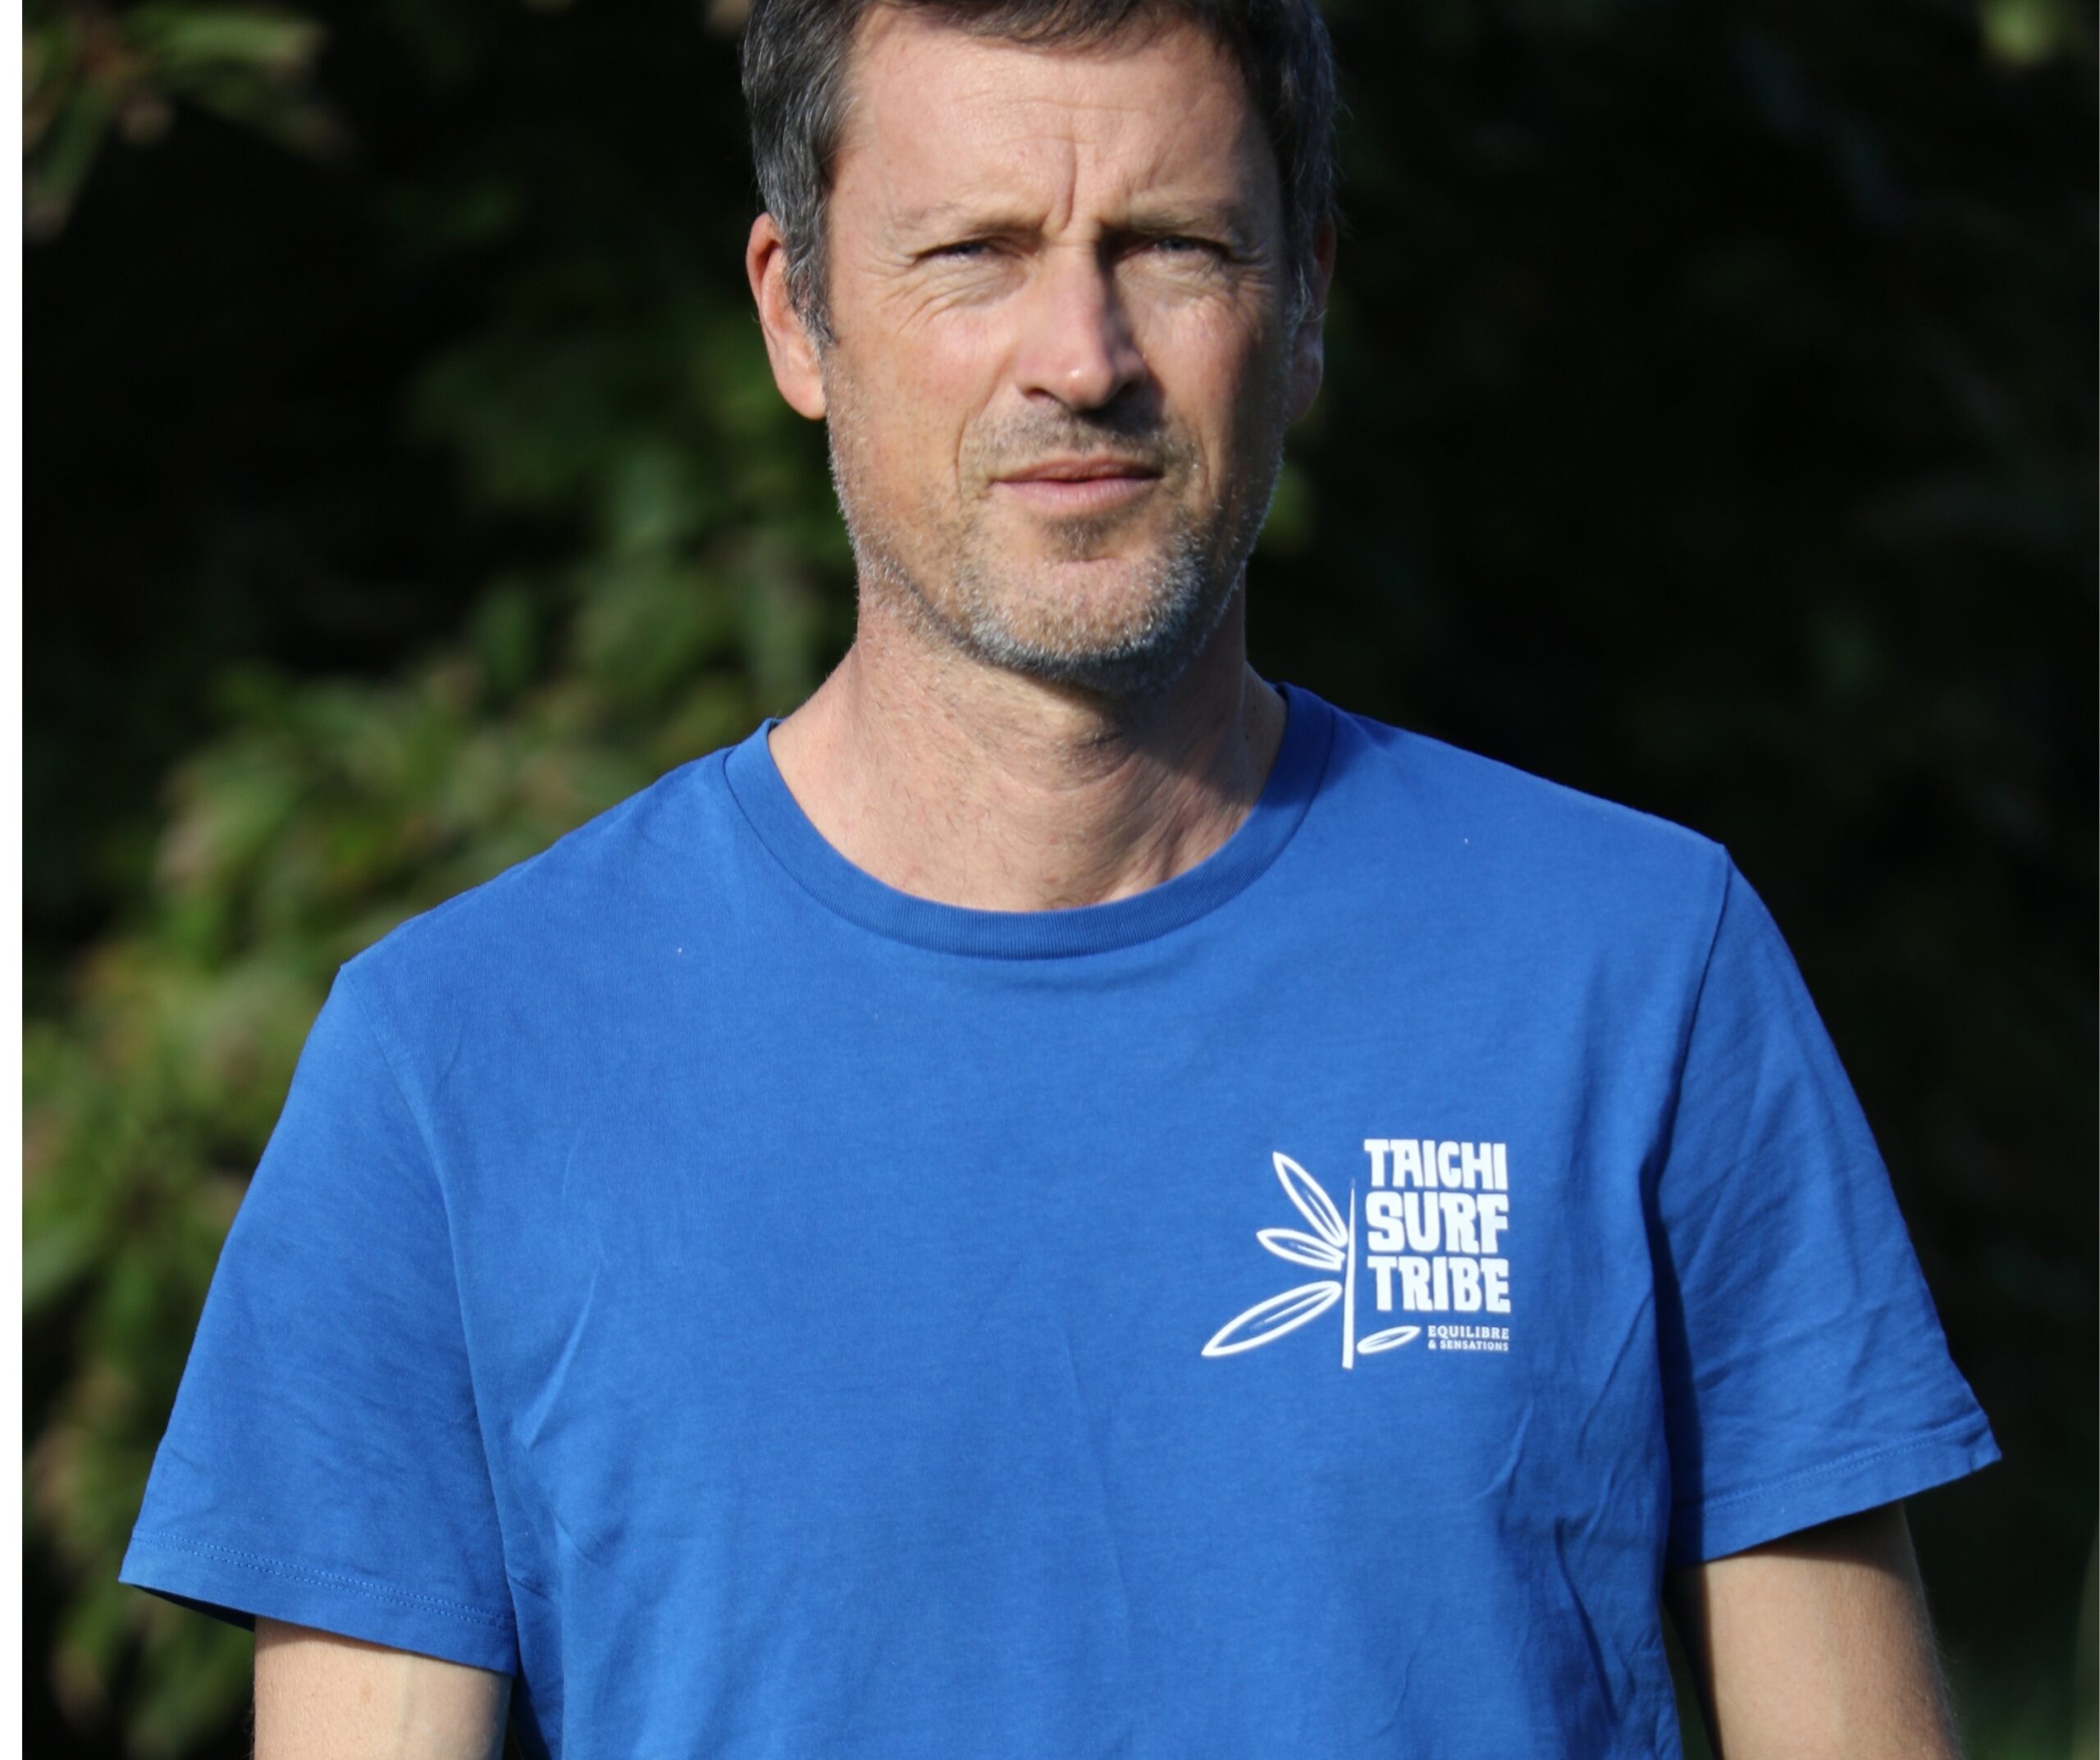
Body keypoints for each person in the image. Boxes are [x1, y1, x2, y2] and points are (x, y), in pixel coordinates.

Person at [119, 2, 2000, 1755]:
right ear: (796, 316)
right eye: (974, 251)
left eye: (1171, 246)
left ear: (1306, 294)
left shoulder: (1634, 973)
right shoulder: (459, 1059)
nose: (1080, 359)